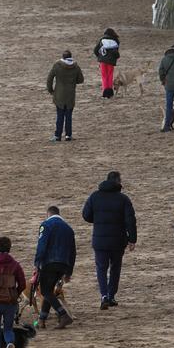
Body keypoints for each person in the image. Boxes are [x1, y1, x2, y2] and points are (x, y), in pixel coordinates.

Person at [81, 171, 137, 310]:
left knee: (101, 268)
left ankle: (104, 295)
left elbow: (86, 215)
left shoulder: (95, 196)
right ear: (118, 182)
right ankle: (111, 296)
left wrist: (99, 220)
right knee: (115, 268)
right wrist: (132, 239)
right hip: (118, 240)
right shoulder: (123, 199)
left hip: (99, 239)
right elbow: (130, 220)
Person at [34, 206, 76, 329]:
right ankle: (42, 319)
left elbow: (41, 245)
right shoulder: (68, 228)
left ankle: (63, 315)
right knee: (49, 291)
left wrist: (37, 263)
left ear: (48, 214)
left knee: (45, 291)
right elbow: (73, 252)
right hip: (64, 264)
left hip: (49, 262)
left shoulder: (46, 225)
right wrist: (69, 272)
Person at [46, 50, 83, 142]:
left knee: (60, 115)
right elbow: (81, 80)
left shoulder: (57, 66)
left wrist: (51, 90)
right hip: (70, 94)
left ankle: (57, 135)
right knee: (68, 116)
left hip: (59, 94)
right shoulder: (76, 67)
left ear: (63, 57)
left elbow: (49, 79)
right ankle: (68, 135)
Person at [92, 28, 119, 98]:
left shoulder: (102, 40)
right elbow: (116, 52)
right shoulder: (116, 41)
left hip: (102, 61)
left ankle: (105, 91)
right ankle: (110, 92)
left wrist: (99, 56)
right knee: (110, 76)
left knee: (104, 76)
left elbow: (95, 50)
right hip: (111, 61)